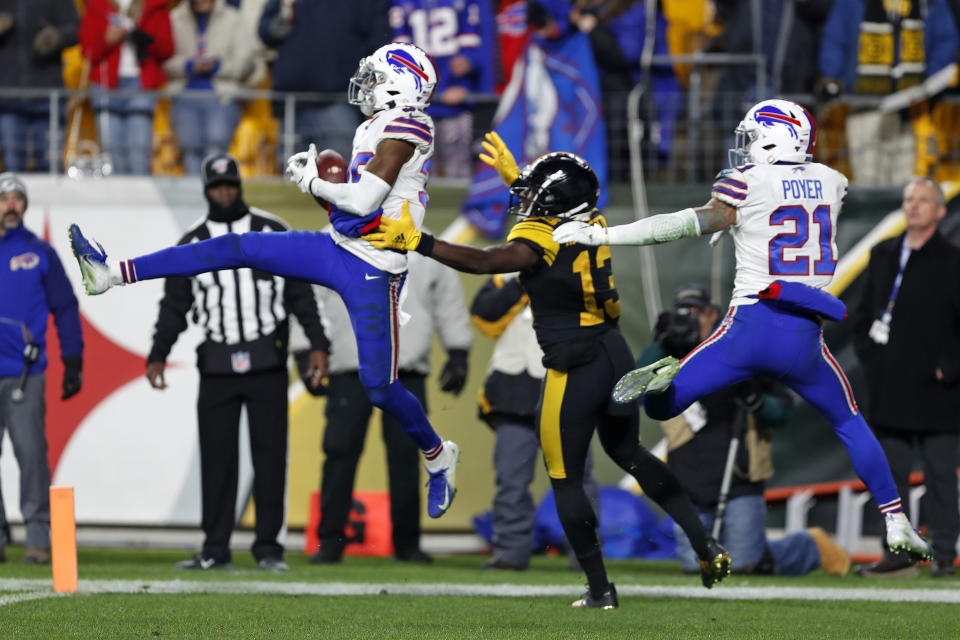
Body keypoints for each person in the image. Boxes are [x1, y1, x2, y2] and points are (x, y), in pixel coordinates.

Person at [68, 42, 461, 521]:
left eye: (377, 76)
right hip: (338, 247)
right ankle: (113, 274)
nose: (368, 84)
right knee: (237, 246)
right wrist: (323, 188)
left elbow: (363, 201)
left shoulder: (409, 126)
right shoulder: (375, 125)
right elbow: (351, 213)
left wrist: (313, 182)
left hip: (375, 271)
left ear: (401, 85)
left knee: (378, 387)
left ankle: (439, 455)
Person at [551, 98, 935, 565]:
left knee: (667, 404)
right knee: (849, 422)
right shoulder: (835, 182)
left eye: (753, 137)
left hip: (749, 328)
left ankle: (656, 383)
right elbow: (790, 214)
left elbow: (684, 224)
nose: (746, 148)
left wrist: (604, 235)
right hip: (804, 337)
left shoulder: (749, 182)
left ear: (777, 138)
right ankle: (895, 518)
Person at [362, 133, 731, 609]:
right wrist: (520, 178)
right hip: (613, 352)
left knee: (564, 477)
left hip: (573, 366)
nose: (526, 202)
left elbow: (485, 260)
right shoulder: (591, 218)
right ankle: (706, 545)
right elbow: (561, 211)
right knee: (632, 454)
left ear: (554, 204)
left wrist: (420, 241)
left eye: (535, 195)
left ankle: (600, 590)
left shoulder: (540, 235)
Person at [145, 153, 328, 571]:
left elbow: (301, 295)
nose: (225, 193)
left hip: (268, 360)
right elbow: (174, 306)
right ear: (207, 190)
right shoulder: (191, 243)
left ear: (240, 187)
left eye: (230, 186)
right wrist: (158, 353)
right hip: (217, 364)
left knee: (269, 458)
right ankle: (215, 549)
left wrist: (318, 344)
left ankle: (268, 550)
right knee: (218, 459)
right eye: (217, 187)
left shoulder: (272, 230)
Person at [642, 283, 851, 577]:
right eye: (682, 313)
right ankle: (752, 548)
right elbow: (637, 392)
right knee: (698, 568)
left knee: (743, 566)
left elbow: (783, 410)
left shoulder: (740, 346)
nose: (689, 319)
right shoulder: (668, 354)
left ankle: (809, 547)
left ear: (713, 314)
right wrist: (660, 340)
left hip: (739, 475)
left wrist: (757, 402)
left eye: (696, 312)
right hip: (688, 479)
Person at [298, 248, 472, 564]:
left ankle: (406, 544)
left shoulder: (419, 243)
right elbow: (309, 299)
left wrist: (458, 349)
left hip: (401, 366)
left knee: (404, 456)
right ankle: (330, 541)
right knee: (340, 451)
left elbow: (446, 300)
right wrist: (305, 350)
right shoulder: (336, 239)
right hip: (353, 365)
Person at [853, 177, 960, 578]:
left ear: (940, 210)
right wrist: (872, 360)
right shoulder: (882, 254)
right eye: (908, 199)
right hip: (890, 387)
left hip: (939, 391)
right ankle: (898, 551)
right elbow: (863, 317)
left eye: (923, 200)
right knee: (890, 476)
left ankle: (945, 553)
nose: (913, 206)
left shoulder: (953, 260)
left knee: (940, 476)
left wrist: (948, 368)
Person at [471, 272, 600, 571]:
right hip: (512, 393)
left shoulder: (580, 271)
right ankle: (510, 553)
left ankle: (585, 555)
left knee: (577, 479)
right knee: (510, 480)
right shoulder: (507, 274)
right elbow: (483, 316)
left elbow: (596, 323)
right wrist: (523, 280)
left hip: (565, 386)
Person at [0, 173, 83, 564]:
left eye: (18, 198)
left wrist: (73, 357)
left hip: (24, 372)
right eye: (4, 198)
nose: (11, 205)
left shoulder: (41, 252)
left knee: (32, 454)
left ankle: (37, 537)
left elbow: (65, 306)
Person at [258, 0, 391, 161]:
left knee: (339, 178)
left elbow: (380, 46)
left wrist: (362, 88)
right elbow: (266, 33)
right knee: (292, 179)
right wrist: (285, 13)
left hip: (339, 102)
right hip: (293, 102)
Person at [390, 0, 493, 178]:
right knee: (417, 173)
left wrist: (465, 80)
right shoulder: (402, 4)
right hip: (415, 104)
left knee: (458, 173)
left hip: (455, 102)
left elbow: (479, 44)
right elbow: (395, 50)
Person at [79, 0, 174, 175]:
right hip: (106, 84)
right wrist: (107, 40)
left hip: (141, 83)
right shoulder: (97, 5)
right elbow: (88, 50)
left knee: (138, 150)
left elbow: (167, 49)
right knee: (111, 151)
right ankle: (116, 200)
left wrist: (143, 39)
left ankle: (141, 201)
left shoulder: (155, 5)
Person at [165, 0, 256, 175]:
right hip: (185, 96)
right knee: (189, 151)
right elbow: (164, 60)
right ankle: (195, 199)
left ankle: (213, 198)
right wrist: (188, 65)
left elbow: (245, 61)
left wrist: (218, 66)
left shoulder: (233, 18)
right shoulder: (175, 18)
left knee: (216, 150)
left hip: (222, 96)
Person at [0, 0, 79, 172]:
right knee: (13, 165)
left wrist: (58, 36)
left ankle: (54, 199)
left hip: (48, 96)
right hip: (8, 98)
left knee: (50, 164)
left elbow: (77, 28)